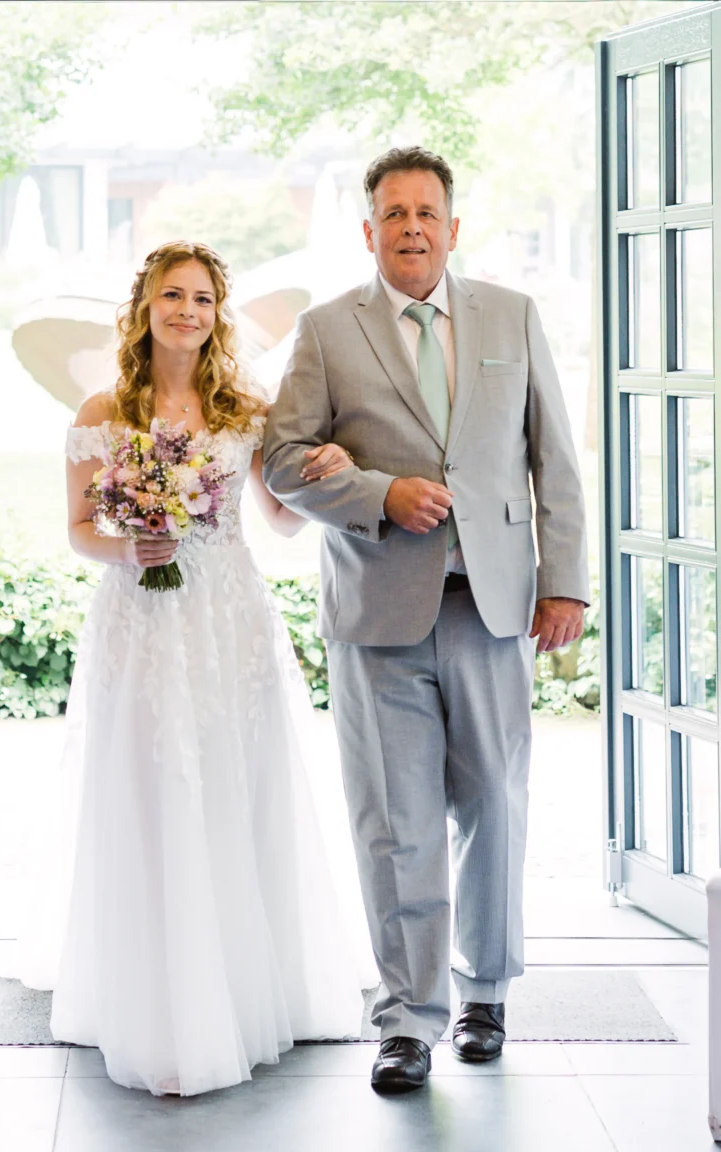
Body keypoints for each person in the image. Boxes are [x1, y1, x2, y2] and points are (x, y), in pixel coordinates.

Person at [263, 146, 589, 1093]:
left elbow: (555, 459)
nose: (412, 227)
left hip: (492, 607)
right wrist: (378, 494)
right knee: (395, 823)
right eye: (395, 214)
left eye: (427, 212)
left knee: (495, 805)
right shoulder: (327, 331)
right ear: (368, 231)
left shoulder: (511, 316)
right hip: (378, 614)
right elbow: (282, 461)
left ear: (453, 226)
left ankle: (486, 995)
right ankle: (407, 1019)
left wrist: (565, 583)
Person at [17, 241, 363, 1097]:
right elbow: (78, 530)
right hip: (140, 618)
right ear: (145, 307)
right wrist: (129, 548)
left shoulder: (247, 409)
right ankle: (158, 1003)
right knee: (148, 786)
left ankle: (243, 991)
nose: (187, 311)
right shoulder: (103, 409)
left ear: (218, 314)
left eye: (203, 298)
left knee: (235, 781)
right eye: (173, 295)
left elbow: (281, 521)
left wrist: (328, 469)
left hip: (227, 620)